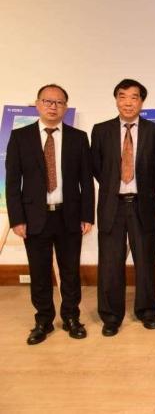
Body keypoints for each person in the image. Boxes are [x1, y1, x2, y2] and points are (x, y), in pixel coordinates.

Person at [6, 84, 94, 344]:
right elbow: (13, 182)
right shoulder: (20, 137)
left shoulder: (78, 138)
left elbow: (86, 181)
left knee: (70, 271)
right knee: (40, 272)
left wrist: (87, 215)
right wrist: (17, 219)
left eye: (59, 102)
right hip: (34, 218)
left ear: (65, 107)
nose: (53, 107)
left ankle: (71, 317)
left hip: (69, 216)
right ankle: (43, 321)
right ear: (37, 104)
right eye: (47, 101)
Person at [91, 79, 155, 336]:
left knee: (145, 261)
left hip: (142, 204)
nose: (128, 102)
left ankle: (147, 311)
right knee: (110, 264)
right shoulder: (101, 130)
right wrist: (116, 186)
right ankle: (111, 316)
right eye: (122, 96)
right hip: (112, 205)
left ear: (141, 102)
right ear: (116, 100)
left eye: (134, 97)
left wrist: (143, 189)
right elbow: (98, 168)